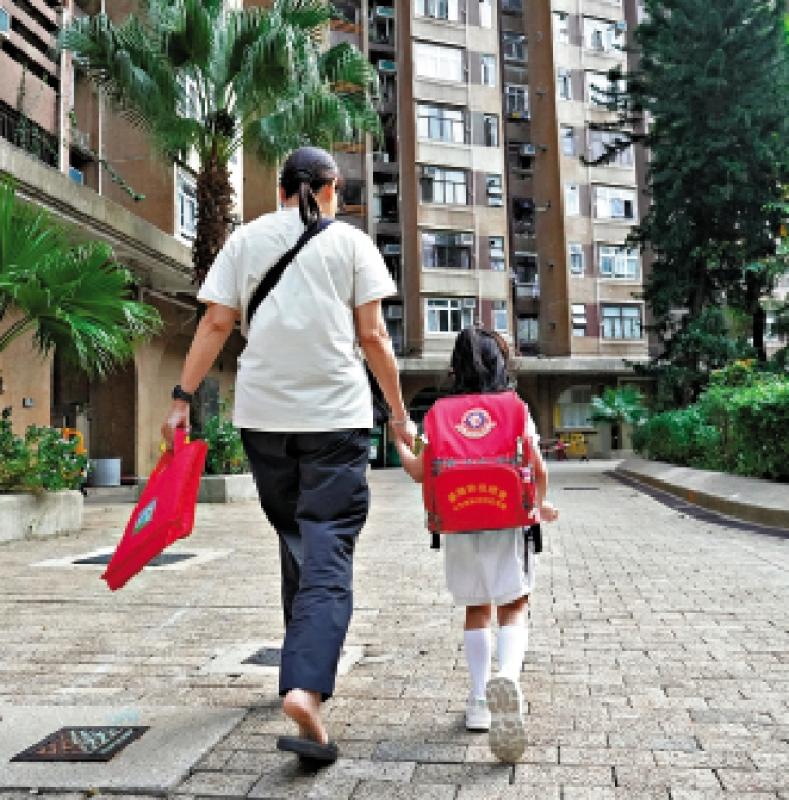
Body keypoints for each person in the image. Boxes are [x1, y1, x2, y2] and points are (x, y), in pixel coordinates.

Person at [160, 146, 415, 764]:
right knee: (326, 542)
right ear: (331, 189)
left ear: (279, 188)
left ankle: (299, 658)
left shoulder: (246, 240)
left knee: (296, 537)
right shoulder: (351, 245)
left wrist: (181, 398)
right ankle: (305, 685)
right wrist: (400, 414)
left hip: (264, 421)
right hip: (335, 420)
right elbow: (374, 336)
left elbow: (216, 324)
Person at [394, 326, 558, 763]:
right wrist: (540, 504)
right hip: (508, 519)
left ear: (456, 367)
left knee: (476, 609)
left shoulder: (437, 413)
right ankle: (509, 679)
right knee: (514, 605)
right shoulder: (516, 408)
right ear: (502, 363)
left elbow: (419, 472)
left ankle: (478, 702)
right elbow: (537, 468)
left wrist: (400, 441)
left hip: (458, 520)